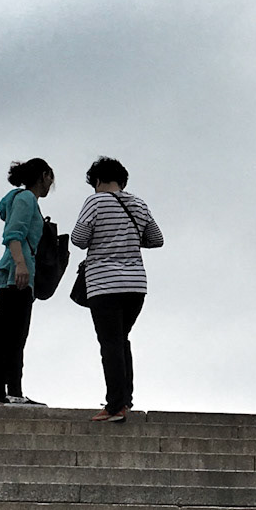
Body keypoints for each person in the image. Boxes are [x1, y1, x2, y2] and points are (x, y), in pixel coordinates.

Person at [71, 158, 163, 423]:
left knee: (110, 343)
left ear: (97, 180)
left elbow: (78, 239)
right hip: (135, 286)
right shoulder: (139, 204)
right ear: (122, 180)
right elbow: (156, 239)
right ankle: (125, 399)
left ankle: (115, 406)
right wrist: (128, 240)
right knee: (121, 340)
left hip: (104, 284)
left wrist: (105, 239)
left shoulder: (95, 202)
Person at [0, 159, 55, 407]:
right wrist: (21, 265)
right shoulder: (26, 199)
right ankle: (9, 394)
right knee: (12, 337)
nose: (50, 185)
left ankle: (5, 394)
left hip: (14, 276)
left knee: (8, 336)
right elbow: (13, 235)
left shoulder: (23, 200)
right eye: (50, 179)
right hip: (15, 277)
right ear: (44, 175)